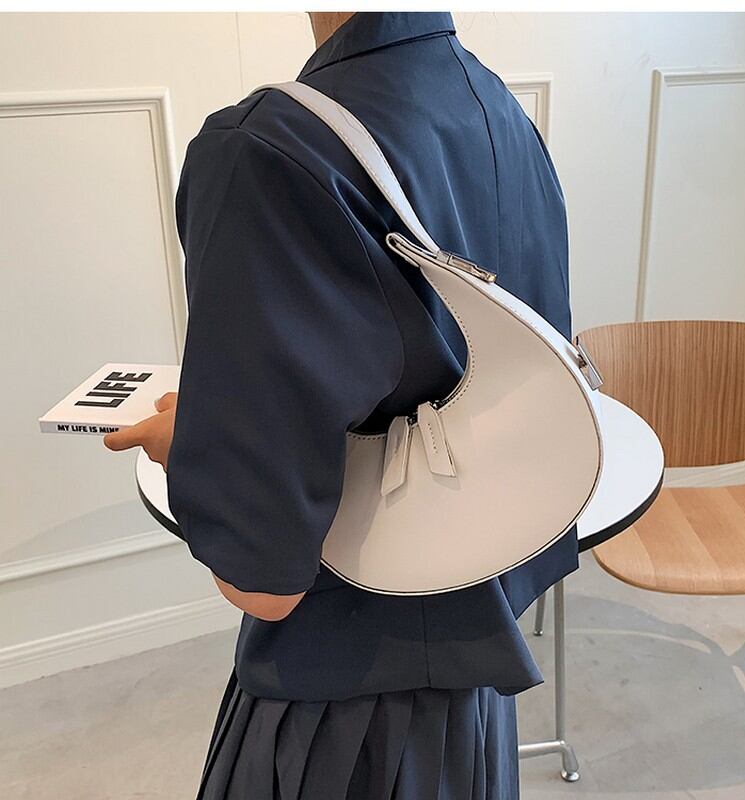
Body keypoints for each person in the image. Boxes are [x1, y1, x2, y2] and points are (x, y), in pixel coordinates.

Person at [104, 11, 578, 799]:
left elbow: (264, 581)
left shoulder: (266, 151)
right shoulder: (497, 108)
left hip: (342, 706)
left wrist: (198, 438)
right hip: (475, 682)